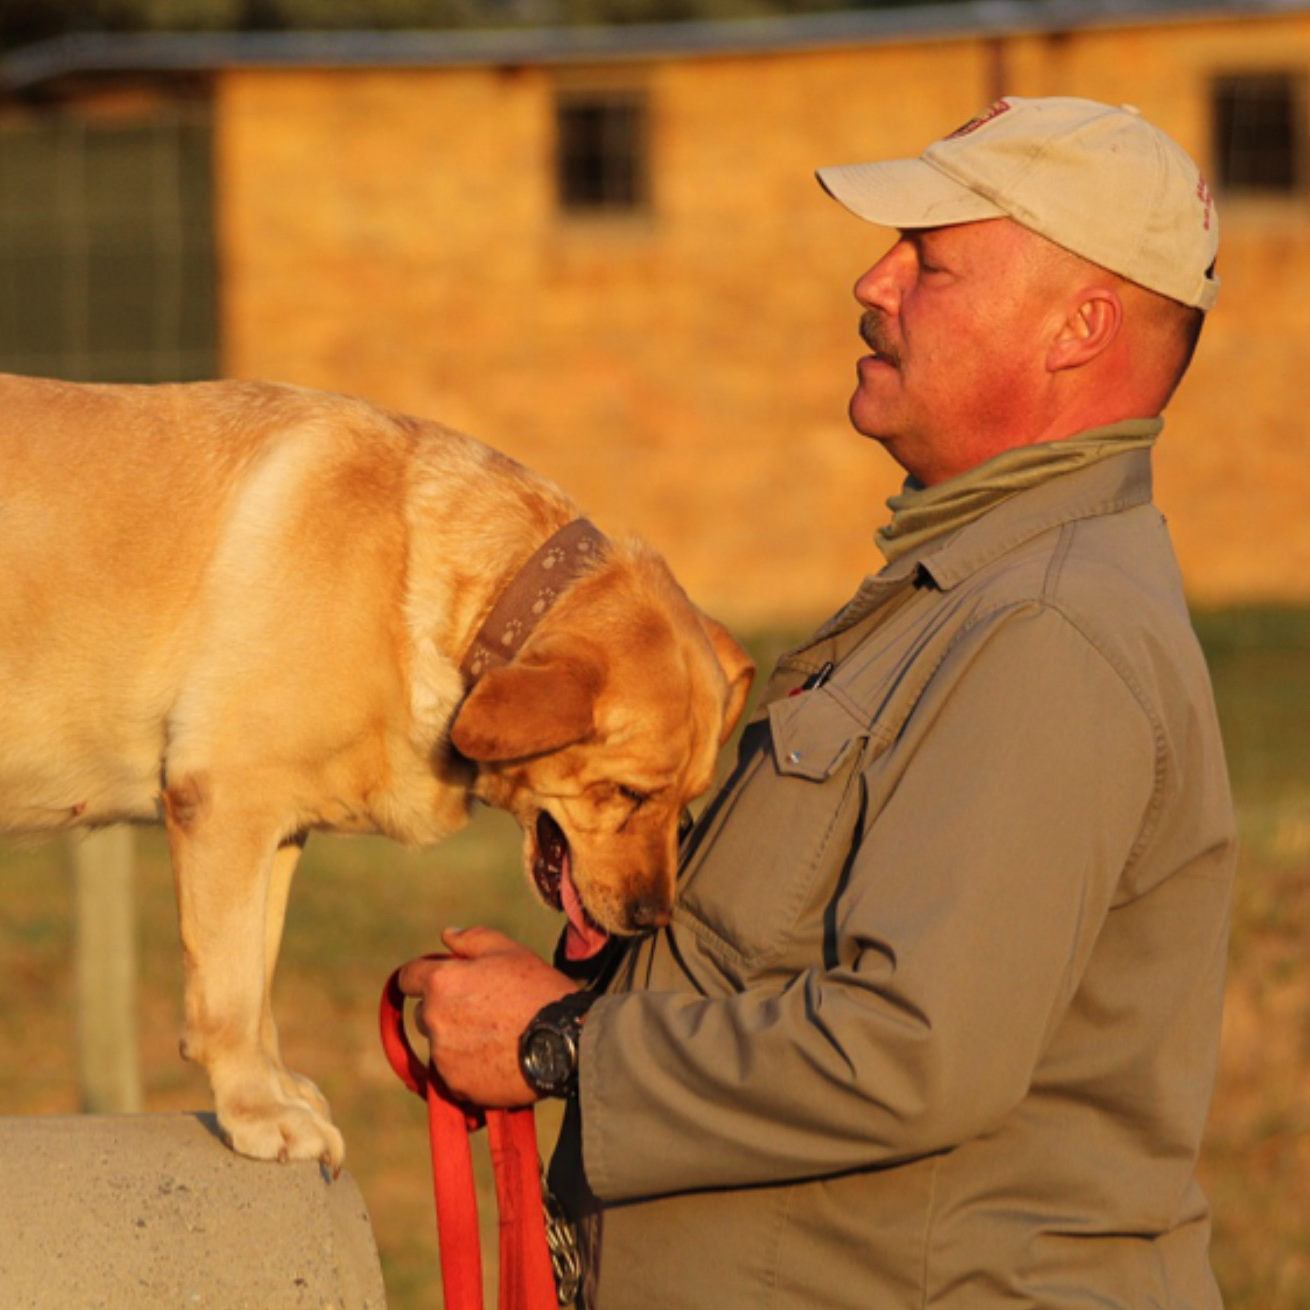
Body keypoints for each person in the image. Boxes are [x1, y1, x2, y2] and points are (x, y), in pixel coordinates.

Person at [398, 96, 1236, 1309]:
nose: (870, 280)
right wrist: (585, 997)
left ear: (1077, 327)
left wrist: (557, 1046)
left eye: (929, 262)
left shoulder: (1044, 630)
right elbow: (803, 978)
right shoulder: (960, 593)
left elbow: (911, 1049)